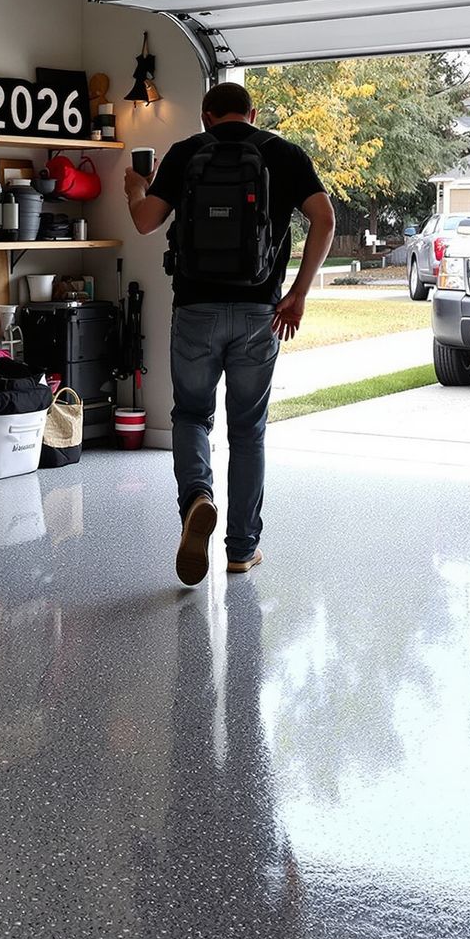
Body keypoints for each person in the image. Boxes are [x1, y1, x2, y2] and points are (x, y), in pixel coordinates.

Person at [125, 81, 334, 584]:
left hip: (195, 310)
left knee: (191, 416)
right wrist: (298, 292)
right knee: (247, 430)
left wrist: (135, 187)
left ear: (206, 116)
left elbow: (146, 222)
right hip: (262, 312)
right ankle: (242, 549)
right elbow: (325, 220)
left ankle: (197, 497)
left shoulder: (185, 152)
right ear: (252, 114)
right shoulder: (284, 153)